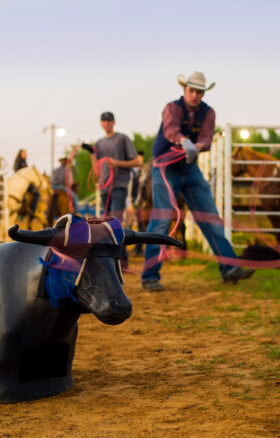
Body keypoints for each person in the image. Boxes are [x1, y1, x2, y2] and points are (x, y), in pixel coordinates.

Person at [141, 71, 254, 291]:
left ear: (203, 93)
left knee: (210, 218)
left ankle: (229, 268)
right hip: (165, 168)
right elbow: (171, 129)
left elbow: (206, 138)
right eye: (192, 90)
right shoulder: (172, 108)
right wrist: (184, 141)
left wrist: (197, 147)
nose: (195, 95)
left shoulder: (208, 112)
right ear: (185, 90)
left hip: (189, 169)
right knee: (162, 220)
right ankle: (149, 276)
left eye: (199, 91)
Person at [84, 112, 140, 267]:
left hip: (119, 185)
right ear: (101, 123)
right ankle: (112, 260)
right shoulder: (99, 143)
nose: (106, 123)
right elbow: (97, 169)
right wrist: (91, 154)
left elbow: (136, 162)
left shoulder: (122, 139)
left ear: (113, 122)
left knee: (115, 222)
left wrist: (117, 163)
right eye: (104, 120)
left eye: (109, 120)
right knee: (106, 225)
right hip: (104, 188)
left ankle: (122, 260)